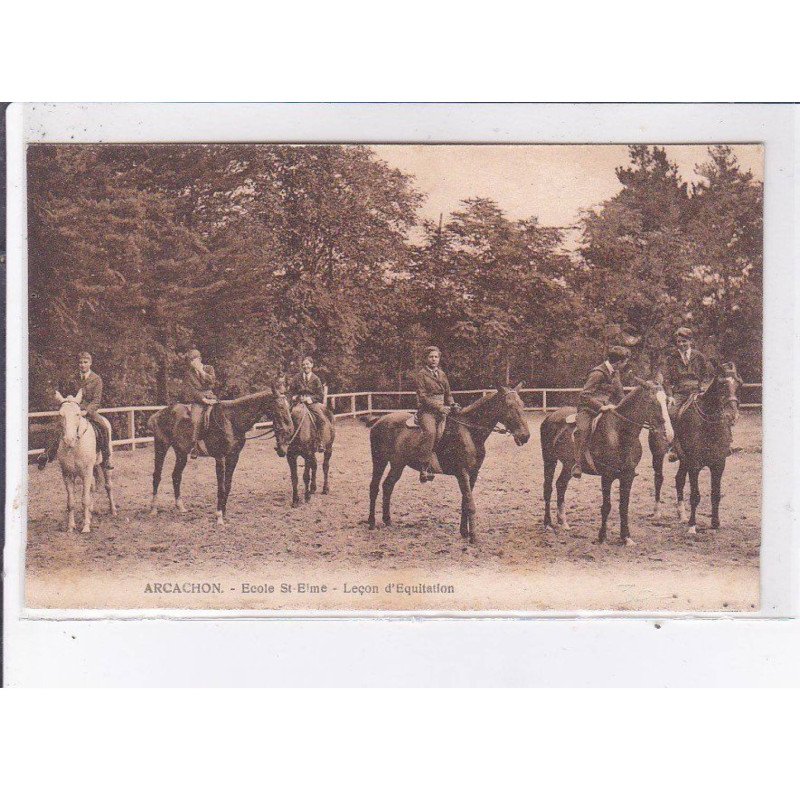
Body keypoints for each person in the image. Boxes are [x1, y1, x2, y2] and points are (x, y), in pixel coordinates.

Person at [37, 351, 114, 470]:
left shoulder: (96, 379)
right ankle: (46, 454)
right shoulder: (73, 378)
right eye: (80, 362)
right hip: (73, 410)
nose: (82, 365)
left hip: (88, 411)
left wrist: (87, 411)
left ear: (90, 363)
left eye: (85, 362)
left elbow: (96, 401)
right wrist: (68, 399)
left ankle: (106, 457)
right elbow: (70, 394)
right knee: (58, 426)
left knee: (103, 426)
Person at [571, 345, 630, 479]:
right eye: (625, 362)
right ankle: (578, 464)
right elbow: (584, 396)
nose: (625, 365)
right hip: (588, 409)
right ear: (618, 362)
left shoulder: (615, 373)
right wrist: (600, 407)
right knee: (583, 429)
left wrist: (622, 407)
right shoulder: (597, 373)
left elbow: (620, 394)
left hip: (608, 407)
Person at [660, 326, 711, 462]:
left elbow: (707, 375)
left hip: (697, 391)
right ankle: (674, 446)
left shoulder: (699, 356)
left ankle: (721, 443)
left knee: (713, 410)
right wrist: (670, 395)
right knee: (671, 413)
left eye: (684, 341)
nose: (681, 344)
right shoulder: (672, 358)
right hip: (680, 393)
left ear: (690, 341)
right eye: (679, 342)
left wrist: (703, 389)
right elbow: (666, 380)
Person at [414, 346, 459, 482]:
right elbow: (422, 397)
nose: (434, 359)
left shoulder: (442, 374)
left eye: (436, 357)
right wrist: (440, 407)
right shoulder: (421, 375)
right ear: (426, 359)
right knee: (431, 433)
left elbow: (448, 394)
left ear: (439, 359)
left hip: (442, 410)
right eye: (431, 357)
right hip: (427, 411)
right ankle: (424, 468)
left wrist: (452, 404)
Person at [181, 348, 220, 458]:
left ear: (200, 359)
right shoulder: (189, 374)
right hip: (198, 400)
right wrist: (203, 400)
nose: (193, 363)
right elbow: (192, 390)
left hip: (211, 397)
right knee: (194, 420)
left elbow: (212, 381)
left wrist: (202, 371)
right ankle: (194, 447)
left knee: (222, 415)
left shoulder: (209, 368)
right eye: (191, 361)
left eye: (195, 360)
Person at [288, 357, 329, 453]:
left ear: (312, 365)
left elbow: (320, 395)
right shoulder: (297, 377)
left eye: (307, 364)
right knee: (286, 416)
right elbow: (290, 391)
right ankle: (286, 441)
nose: (305, 366)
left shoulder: (316, 379)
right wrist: (294, 397)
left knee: (321, 419)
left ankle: (320, 441)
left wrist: (310, 399)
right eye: (303, 365)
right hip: (298, 402)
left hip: (311, 404)